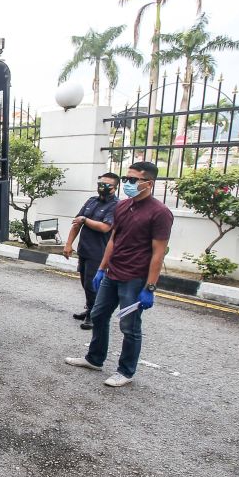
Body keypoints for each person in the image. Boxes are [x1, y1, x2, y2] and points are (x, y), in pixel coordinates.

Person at [65, 161, 173, 387]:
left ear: (148, 183)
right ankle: (94, 359)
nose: (128, 184)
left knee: (129, 326)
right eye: (127, 179)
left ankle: (125, 371)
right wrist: (102, 268)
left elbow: (158, 253)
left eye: (133, 180)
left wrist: (150, 287)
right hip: (112, 273)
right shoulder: (122, 207)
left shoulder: (160, 213)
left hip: (135, 278)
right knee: (98, 315)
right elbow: (114, 240)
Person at [62, 173, 120, 330]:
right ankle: (90, 308)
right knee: (84, 282)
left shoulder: (116, 205)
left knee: (92, 284)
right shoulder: (91, 201)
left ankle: (93, 316)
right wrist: (68, 244)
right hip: (84, 250)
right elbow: (76, 223)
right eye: (100, 183)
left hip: (99, 252)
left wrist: (85, 220)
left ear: (115, 188)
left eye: (107, 185)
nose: (102, 187)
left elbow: (105, 227)